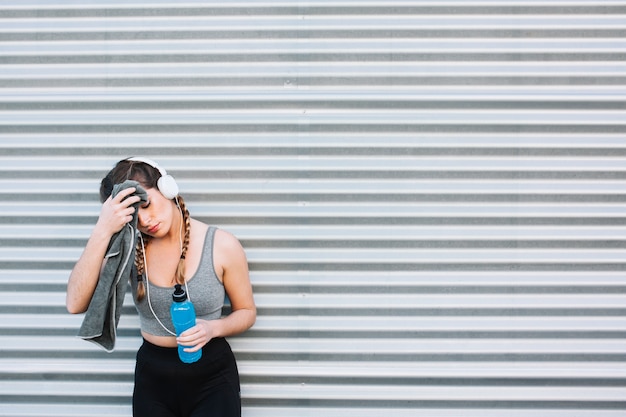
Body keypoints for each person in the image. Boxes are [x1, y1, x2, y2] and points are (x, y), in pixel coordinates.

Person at [66, 157, 256, 417]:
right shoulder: (130, 248)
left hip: (212, 375)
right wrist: (103, 230)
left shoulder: (222, 244)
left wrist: (213, 328)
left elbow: (246, 312)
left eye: (146, 205)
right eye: (134, 215)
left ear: (167, 188)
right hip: (153, 377)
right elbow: (75, 303)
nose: (144, 220)